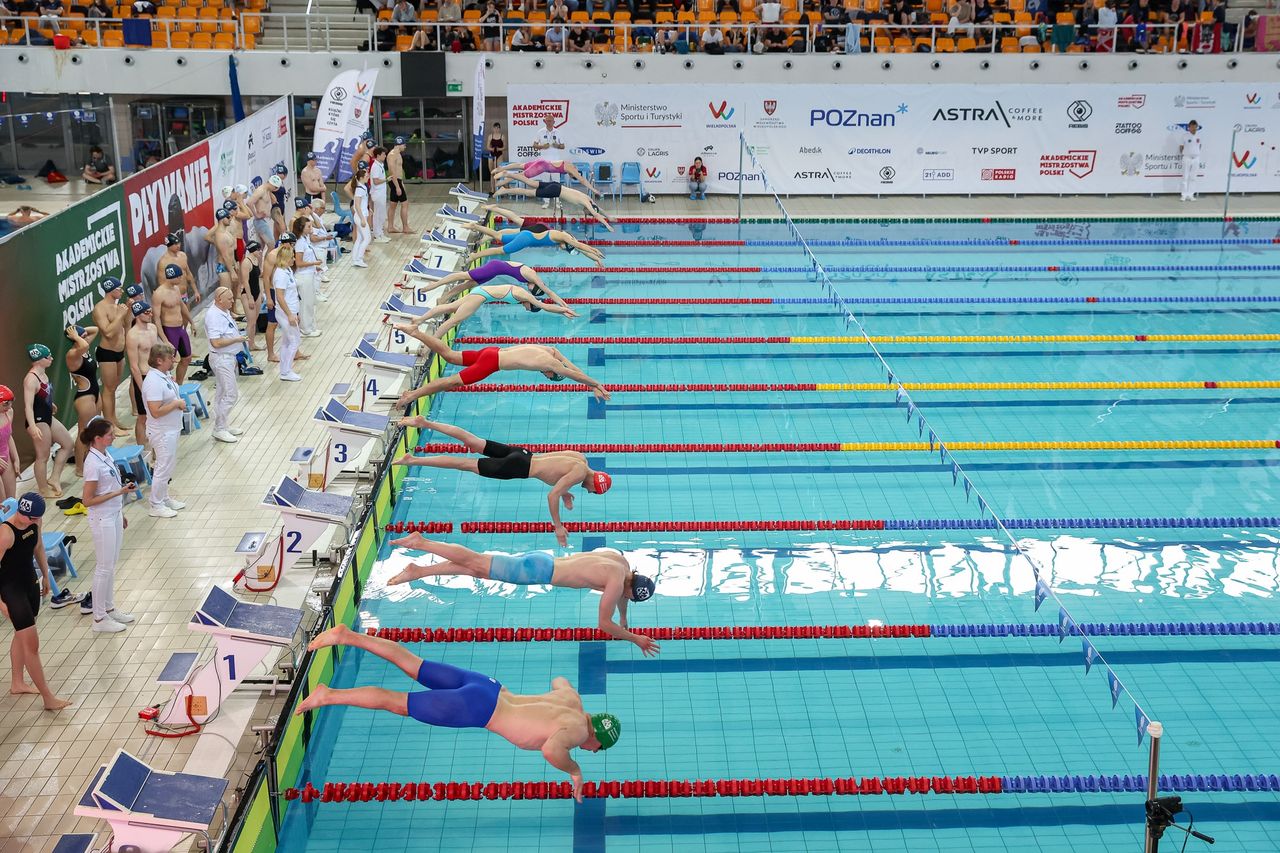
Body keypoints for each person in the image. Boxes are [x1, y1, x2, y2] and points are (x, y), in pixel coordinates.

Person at [295, 624, 621, 799]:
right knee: (396, 702)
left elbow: (559, 679)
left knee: (413, 664)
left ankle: (347, 636)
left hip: (490, 687)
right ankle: (328, 695)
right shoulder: (578, 734)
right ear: (597, 737)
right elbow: (552, 750)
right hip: (477, 709)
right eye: (598, 750)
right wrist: (575, 770)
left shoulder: (572, 701)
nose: (591, 750)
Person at [388, 535, 656, 648]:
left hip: (542, 561)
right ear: (632, 590)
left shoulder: (621, 564)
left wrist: (624, 620)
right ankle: (422, 542)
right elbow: (603, 624)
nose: (626, 599)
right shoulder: (616, 584)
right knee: (476, 561)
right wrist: (635, 638)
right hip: (536, 572)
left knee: (477, 569)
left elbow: (622, 596)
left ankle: (418, 571)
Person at [394, 422, 619, 546]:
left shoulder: (581, 460)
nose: (589, 492)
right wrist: (558, 527)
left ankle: (424, 422)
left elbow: (555, 469)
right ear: (595, 485)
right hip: (519, 468)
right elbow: (551, 495)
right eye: (594, 492)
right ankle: (413, 460)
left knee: (472, 441)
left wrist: (565, 493)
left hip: (522, 454)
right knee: (465, 464)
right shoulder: (579, 475)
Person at [395, 333, 610, 406]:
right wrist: (597, 385)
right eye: (549, 377)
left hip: (492, 351)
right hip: (491, 364)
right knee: (450, 382)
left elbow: (571, 366)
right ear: (552, 373)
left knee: (450, 355)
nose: (545, 375)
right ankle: (411, 396)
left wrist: (591, 384)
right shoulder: (550, 364)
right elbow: (572, 374)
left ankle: (416, 332)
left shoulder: (550, 351)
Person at [1, 494, 72, 710]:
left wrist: (45, 574)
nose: (33, 522)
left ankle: (17, 683)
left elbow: (38, 547)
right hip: (11, 590)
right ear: (21, 512)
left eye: (36, 520)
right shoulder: (5, 534)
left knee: (21, 635)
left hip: (29, 583)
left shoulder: (35, 521)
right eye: (30, 518)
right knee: (32, 645)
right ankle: (48, 698)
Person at [79, 419, 138, 633]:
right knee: (103, 568)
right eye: (109, 434)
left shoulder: (105, 454)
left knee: (111, 564)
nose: (113, 437)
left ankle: (109, 607)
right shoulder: (92, 464)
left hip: (113, 515)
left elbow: (112, 482)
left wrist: (120, 510)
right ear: (97, 439)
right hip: (101, 519)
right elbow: (87, 500)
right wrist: (119, 494)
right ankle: (99, 618)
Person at [396, 283, 576, 338]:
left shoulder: (524, 296)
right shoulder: (528, 297)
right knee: (454, 320)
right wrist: (563, 310)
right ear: (532, 304)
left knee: (451, 307)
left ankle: (418, 321)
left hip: (480, 292)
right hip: (480, 296)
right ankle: (432, 342)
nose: (525, 309)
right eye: (529, 309)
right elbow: (546, 306)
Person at [22, 345, 74, 499]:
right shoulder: (31, 379)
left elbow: (42, 394)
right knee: (42, 457)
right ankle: (43, 490)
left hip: (47, 417)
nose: (51, 358)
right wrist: (32, 426)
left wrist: (49, 403)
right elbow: (28, 406)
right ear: (38, 360)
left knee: (68, 444)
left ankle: (54, 478)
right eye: (47, 357)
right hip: (38, 421)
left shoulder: (43, 373)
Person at [141, 343, 186, 518]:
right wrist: (176, 403)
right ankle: (156, 504)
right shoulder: (152, 382)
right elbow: (155, 411)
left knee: (168, 466)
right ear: (159, 360)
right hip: (161, 431)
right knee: (162, 467)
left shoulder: (164, 376)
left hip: (171, 428)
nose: (174, 360)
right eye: (170, 358)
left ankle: (164, 497)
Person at [204, 287, 247, 444]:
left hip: (228, 358)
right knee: (231, 394)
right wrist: (237, 340)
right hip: (221, 359)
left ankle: (222, 425)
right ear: (219, 299)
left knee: (222, 394)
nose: (232, 301)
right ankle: (219, 429)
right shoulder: (213, 316)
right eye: (229, 299)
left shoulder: (224, 311)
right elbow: (216, 342)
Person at [494, 177, 613, 231]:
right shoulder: (587, 203)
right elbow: (597, 214)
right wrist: (607, 225)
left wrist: (609, 217)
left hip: (557, 185)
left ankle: (509, 175)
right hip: (555, 191)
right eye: (588, 213)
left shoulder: (589, 199)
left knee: (531, 182)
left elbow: (599, 210)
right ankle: (505, 190)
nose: (586, 213)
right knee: (528, 192)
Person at [464, 221, 605, 266]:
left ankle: (475, 226)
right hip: (525, 240)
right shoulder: (562, 236)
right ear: (567, 245)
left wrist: (596, 258)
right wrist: (594, 250)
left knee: (497, 235)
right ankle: (473, 257)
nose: (562, 250)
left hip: (526, 235)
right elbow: (580, 246)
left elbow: (580, 249)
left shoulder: (564, 239)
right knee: (500, 251)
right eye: (566, 249)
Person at [91, 277, 131, 436]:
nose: (121, 291)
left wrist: (127, 310)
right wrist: (121, 314)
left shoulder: (117, 307)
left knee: (113, 388)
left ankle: (113, 420)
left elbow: (126, 324)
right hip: (106, 353)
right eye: (119, 288)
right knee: (108, 389)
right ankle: (109, 426)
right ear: (111, 289)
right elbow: (107, 332)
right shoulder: (100, 308)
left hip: (119, 352)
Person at [64, 324, 103, 481]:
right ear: (74, 339)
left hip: (95, 393)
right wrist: (76, 336)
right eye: (82, 336)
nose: (86, 337)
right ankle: (79, 467)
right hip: (84, 396)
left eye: (85, 335)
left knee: (97, 428)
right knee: (83, 433)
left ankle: (93, 458)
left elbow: (95, 329)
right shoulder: (73, 353)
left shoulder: (83, 348)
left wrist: (79, 331)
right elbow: (85, 343)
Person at [423, 259, 552, 301]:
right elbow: (548, 291)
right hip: (494, 267)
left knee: (468, 285)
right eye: (532, 291)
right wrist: (561, 303)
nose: (529, 290)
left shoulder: (529, 280)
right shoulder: (532, 276)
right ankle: (435, 284)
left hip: (495, 272)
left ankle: (443, 299)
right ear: (535, 286)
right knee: (462, 275)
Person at [125, 301, 161, 448]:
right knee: (143, 416)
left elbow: (158, 352)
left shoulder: (153, 328)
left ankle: (156, 442)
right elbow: (134, 366)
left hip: (157, 375)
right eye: (147, 312)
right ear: (138, 314)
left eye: (151, 311)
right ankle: (141, 449)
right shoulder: (132, 336)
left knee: (158, 412)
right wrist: (142, 388)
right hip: (144, 377)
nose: (151, 314)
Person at [154, 263, 195, 384]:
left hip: (180, 329)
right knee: (168, 364)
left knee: (187, 358)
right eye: (179, 277)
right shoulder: (159, 294)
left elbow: (182, 306)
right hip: (169, 330)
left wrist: (192, 322)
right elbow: (156, 318)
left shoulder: (176, 289)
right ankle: (167, 389)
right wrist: (165, 340)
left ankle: (179, 385)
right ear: (172, 276)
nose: (181, 279)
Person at [291, 216, 324, 338]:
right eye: (308, 226)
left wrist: (314, 267)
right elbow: (299, 263)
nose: (311, 228)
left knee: (310, 302)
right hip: (303, 276)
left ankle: (310, 326)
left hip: (309, 274)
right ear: (302, 228)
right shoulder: (299, 243)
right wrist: (314, 263)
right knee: (305, 303)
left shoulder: (305, 240)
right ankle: (305, 329)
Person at [273, 245, 303, 382]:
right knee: (295, 340)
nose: (294, 259)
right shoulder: (280, 274)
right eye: (291, 257)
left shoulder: (287, 271)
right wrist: (290, 314)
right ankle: (286, 371)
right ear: (285, 259)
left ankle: (284, 370)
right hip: (285, 313)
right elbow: (280, 297)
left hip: (290, 311)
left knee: (287, 341)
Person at [492, 159, 601, 196]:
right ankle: (504, 178)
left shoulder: (570, 164)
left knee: (520, 166)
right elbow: (582, 180)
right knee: (522, 176)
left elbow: (580, 177)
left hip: (542, 162)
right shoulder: (570, 169)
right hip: (542, 166)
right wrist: (593, 189)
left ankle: (501, 168)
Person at [155, 230, 200, 306]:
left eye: (178, 243)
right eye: (175, 244)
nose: (178, 246)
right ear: (168, 245)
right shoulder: (163, 263)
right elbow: (162, 284)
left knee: (187, 317)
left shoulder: (183, 255)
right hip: (173, 298)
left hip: (184, 295)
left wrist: (196, 291)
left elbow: (188, 274)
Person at [204, 208, 241, 297]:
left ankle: (232, 311)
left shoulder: (226, 231)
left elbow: (231, 251)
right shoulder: (220, 235)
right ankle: (227, 311)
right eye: (228, 217)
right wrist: (232, 271)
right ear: (222, 219)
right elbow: (225, 255)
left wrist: (234, 263)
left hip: (231, 265)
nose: (230, 219)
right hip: (224, 268)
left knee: (233, 293)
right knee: (226, 295)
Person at [533, 115, 567, 209]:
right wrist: (542, 147)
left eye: (551, 121)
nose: (549, 122)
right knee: (545, 182)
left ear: (554, 122)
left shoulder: (558, 132)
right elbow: (534, 145)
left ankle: (557, 202)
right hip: (544, 162)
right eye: (547, 121)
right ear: (545, 121)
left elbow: (563, 146)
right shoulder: (540, 132)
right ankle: (546, 202)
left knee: (556, 182)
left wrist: (557, 145)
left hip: (555, 162)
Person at [240, 240, 266, 354]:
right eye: (259, 250)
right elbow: (245, 282)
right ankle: (245, 345)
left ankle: (252, 344)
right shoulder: (246, 262)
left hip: (256, 293)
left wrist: (260, 293)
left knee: (254, 322)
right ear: (253, 250)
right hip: (247, 295)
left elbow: (258, 279)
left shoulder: (256, 260)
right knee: (250, 323)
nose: (260, 252)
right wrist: (250, 298)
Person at [347, 163, 371, 269]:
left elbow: (363, 203)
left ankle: (355, 258)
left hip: (362, 215)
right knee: (367, 238)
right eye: (366, 176)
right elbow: (356, 205)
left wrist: (369, 209)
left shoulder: (362, 187)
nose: (368, 177)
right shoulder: (360, 189)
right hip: (360, 217)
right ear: (361, 178)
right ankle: (359, 259)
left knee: (359, 239)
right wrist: (362, 219)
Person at [386, 137, 410, 235]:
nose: (405, 147)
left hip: (397, 181)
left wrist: (401, 183)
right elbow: (392, 171)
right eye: (404, 145)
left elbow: (399, 170)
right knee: (405, 204)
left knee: (393, 205)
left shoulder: (398, 154)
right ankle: (405, 227)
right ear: (399, 144)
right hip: (394, 181)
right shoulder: (392, 155)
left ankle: (390, 227)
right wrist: (397, 186)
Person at [248, 177, 277, 248]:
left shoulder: (267, 190)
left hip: (263, 221)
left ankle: (260, 259)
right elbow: (249, 203)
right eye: (275, 187)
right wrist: (256, 215)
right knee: (271, 245)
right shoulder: (261, 190)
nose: (275, 189)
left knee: (260, 247)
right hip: (260, 221)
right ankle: (268, 259)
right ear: (271, 184)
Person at [0, 386, 18, 503]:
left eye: (11, 403)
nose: (9, 407)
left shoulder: (9, 412)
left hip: (6, 460)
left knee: (11, 502)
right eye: (6, 404)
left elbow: (8, 436)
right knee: (1, 505)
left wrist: (16, 459)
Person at [369, 147, 390, 243]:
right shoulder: (375, 166)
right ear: (378, 155)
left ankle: (380, 233)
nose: (385, 156)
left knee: (381, 214)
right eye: (383, 154)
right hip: (377, 194)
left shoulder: (380, 165)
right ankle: (377, 235)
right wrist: (386, 179)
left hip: (381, 193)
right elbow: (376, 181)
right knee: (377, 214)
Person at [1179, 120, 1202, 202]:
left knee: (1193, 177)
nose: (1193, 128)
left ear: (1197, 127)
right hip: (1187, 158)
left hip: (1196, 158)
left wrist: (1195, 154)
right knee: (1185, 177)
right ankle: (1184, 195)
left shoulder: (1199, 136)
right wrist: (1186, 154)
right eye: (1191, 126)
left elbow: (1200, 146)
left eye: (1195, 126)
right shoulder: (1184, 136)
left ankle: (1191, 194)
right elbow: (1181, 147)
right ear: (1189, 127)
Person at [485, 122, 506, 193]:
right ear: (493, 129)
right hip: (491, 155)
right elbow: (487, 146)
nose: (496, 129)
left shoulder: (502, 136)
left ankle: (499, 188)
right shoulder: (490, 136)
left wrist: (499, 149)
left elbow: (505, 147)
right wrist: (492, 149)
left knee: (499, 172)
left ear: (499, 129)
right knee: (492, 173)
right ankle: (492, 189)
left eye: (498, 128)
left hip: (499, 155)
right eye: (495, 128)